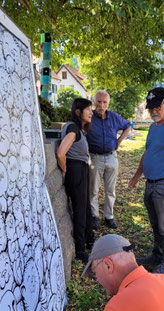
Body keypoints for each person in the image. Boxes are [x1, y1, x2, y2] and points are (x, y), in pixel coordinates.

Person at [128, 87, 164, 275]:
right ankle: (157, 254)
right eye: (150, 108)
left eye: (157, 107)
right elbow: (148, 152)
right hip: (150, 182)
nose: (153, 111)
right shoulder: (154, 127)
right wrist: (137, 175)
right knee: (155, 223)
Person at [87, 90, 131, 230]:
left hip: (112, 157)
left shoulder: (114, 117)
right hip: (95, 158)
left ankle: (109, 216)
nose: (101, 105)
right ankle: (94, 217)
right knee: (93, 190)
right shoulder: (89, 117)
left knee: (110, 190)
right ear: (94, 102)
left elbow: (128, 126)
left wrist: (119, 141)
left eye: (104, 102)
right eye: (99, 102)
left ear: (108, 103)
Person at [57, 98, 94, 263]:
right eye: (88, 110)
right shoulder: (73, 129)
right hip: (76, 170)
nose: (91, 113)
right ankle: (80, 250)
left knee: (84, 207)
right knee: (80, 209)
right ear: (79, 112)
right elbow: (60, 153)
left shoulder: (78, 129)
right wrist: (65, 170)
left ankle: (88, 239)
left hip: (81, 169)